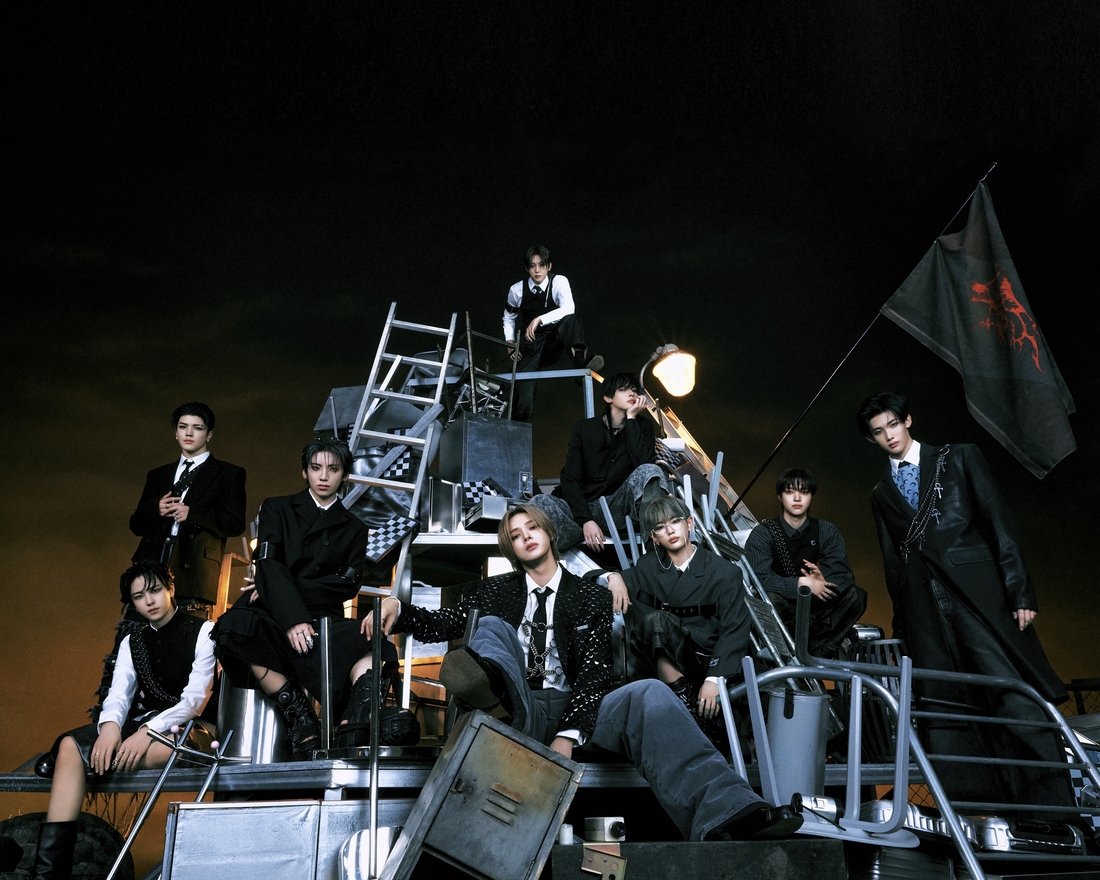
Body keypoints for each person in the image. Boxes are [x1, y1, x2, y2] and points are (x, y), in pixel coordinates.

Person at [365, 504, 802, 841]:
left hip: (574, 706)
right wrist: (397, 607)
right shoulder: (495, 590)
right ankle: (497, 700)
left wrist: (569, 734)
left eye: (532, 528)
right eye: (515, 535)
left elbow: (595, 672)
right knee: (491, 627)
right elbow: (441, 622)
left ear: (549, 533)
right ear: (510, 549)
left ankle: (729, 814)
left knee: (650, 693)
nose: (525, 537)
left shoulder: (589, 596)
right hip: (516, 698)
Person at [856, 391, 1075, 811]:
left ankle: (1059, 814)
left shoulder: (958, 457)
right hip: (924, 610)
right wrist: (903, 628)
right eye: (879, 432)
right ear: (872, 439)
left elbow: (998, 522)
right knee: (948, 709)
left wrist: (1020, 591)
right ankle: (979, 816)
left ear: (908, 420)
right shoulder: (880, 493)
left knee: (1014, 697)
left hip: (977, 595)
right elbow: (892, 563)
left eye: (893, 425)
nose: (889, 436)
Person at [212, 438, 418, 760]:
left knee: (373, 642)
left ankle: (354, 725)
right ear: (304, 471)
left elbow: (345, 585)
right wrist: (292, 615)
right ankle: (300, 716)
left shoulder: (354, 528)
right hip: (274, 614)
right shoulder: (276, 508)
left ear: (344, 475)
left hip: (323, 618)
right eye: (316, 467)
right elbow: (267, 563)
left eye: (332, 469)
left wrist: (274, 586)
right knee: (235, 626)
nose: (323, 476)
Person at [31, 562, 216, 880]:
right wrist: (110, 729)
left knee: (162, 747)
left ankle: (85, 764)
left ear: (171, 589)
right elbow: (118, 695)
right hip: (144, 723)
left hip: (191, 727)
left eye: (155, 591)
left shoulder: (205, 631)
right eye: (139, 596)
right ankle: (48, 875)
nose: (149, 601)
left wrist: (146, 732)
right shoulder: (133, 641)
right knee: (70, 747)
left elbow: (194, 701)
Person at [605, 495, 751, 741]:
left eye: (675, 522)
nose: (670, 530)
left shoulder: (725, 572)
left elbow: (734, 630)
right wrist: (613, 576)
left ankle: (690, 710)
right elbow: (602, 581)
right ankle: (687, 707)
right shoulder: (648, 565)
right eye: (661, 527)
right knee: (657, 621)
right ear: (654, 537)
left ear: (689, 523)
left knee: (659, 621)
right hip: (665, 659)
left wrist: (714, 679)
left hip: (705, 659)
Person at [528, 372, 669, 553]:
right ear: (608, 397)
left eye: (634, 390)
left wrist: (632, 419)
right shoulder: (585, 428)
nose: (631, 394)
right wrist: (586, 520)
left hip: (618, 507)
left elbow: (645, 465)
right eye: (624, 389)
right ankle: (568, 539)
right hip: (582, 508)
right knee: (539, 502)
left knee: (651, 471)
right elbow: (570, 478)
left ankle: (655, 552)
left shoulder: (643, 426)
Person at [129, 402, 247, 611]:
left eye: (197, 428)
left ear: (209, 435)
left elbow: (235, 524)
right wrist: (156, 508)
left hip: (194, 570)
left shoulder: (229, 474)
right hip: (150, 566)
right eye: (183, 427)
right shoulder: (157, 474)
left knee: (188, 629)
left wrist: (193, 514)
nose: (189, 433)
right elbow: (136, 525)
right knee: (135, 630)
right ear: (176, 432)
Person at [743, 468, 867, 658]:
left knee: (856, 596)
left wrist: (824, 582)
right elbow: (760, 579)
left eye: (804, 492)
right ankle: (786, 656)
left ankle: (820, 653)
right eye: (789, 492)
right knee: (769, 600)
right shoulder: (763, 533)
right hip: (785, 608)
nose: (797, 498)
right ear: (779, 497)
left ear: (811, 497)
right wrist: (801, 584)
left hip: (816, 607)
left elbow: (844, 576)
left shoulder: (825, 530)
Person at [503, 245, 603, 422]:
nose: (537, 270)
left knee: (570, 320)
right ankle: (518, 428)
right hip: (530, 346)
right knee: (522, 398)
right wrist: (509, 342)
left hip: (552, 341)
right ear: (527, 268)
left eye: (541, 265)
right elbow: (509, 316)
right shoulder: (516, 290)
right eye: (532, 266)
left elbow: (569, 308)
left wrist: (539, 319)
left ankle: (580, 364)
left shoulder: (559, 282)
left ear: (549, 266)